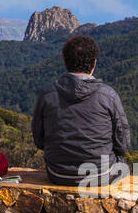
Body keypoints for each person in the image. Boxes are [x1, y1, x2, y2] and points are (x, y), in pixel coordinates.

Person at [31, 34, 129, 188]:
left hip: (58, 174)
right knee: (124, 165)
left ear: (65, 61)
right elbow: (122, 145)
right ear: (94, 63)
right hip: (100, 175)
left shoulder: (47, 94)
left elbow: (39, 140)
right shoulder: (108, 96)